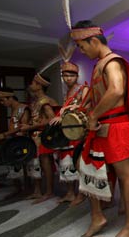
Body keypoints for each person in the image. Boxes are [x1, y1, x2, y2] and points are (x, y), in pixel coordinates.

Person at [71, 20, 129, 237]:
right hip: (102, 126)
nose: (82, 52)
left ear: (93, 40)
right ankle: (97, 216)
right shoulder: (100, 64)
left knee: (126, 174)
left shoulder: (112, 62)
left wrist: (93, 115)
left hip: (116, 125)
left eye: (82, 47)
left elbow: (117, 90)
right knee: (90, 168)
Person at [49, 61, 87, 206]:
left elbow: (86, 108)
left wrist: (65, 115)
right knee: (66, 162)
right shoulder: (67, 93)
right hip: (67, 132)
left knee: (78, 162)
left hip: (78, 130)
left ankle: (82, 193)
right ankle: (71, 193)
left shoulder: (83, 89)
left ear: (77, 76)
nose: (68, 78)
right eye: (65, 75)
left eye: (71, 75)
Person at [19, 73, 58, 204]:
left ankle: (49, 191)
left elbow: (52, 120)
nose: (31, 85)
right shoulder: (36, 102)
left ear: (40, 86)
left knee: (45, 163)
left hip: (42, 137)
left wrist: (32, 126)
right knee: (36, 164)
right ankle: (37, 190)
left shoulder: (45, 101)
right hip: (34, 136)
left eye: (34, 83)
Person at [0, 88, 31, 196]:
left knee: (25, 166)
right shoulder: (13, 109)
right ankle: (19, 189)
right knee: (13, 165)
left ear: (10, 98)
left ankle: (29, 189)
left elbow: (22, 127)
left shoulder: (23, 108)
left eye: (3, 100)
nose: (2, 103)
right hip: (13, 141)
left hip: (22, 142)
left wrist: (5, 134)